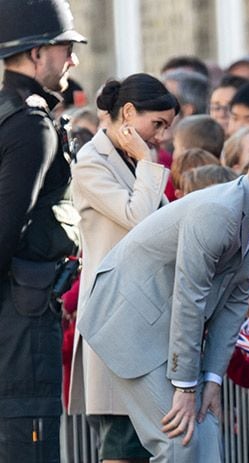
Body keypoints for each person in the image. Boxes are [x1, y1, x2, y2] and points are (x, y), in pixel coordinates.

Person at [77, 126, 249, 462]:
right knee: (179, 441)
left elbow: (236, 299)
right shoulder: (217, 212)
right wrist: (184, 386)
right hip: (130, 320)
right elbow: (189, 297)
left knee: (205, 437)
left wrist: (211, 378)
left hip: (168, 323)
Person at [69, 73, 179, 463]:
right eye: (158, 125)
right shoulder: (90, 163)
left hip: (147, 320)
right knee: (121, 445)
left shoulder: (137, 162)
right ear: (129, 113)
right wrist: (148, 163)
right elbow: (141, 220)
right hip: (114, 320)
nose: (161, 137)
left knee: (147, 444)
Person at [0, 1, 85, 461]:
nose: (73, 60)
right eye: (66, 48)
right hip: (19, 323)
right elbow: (5, 231)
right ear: (37, 54)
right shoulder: (31, 125)